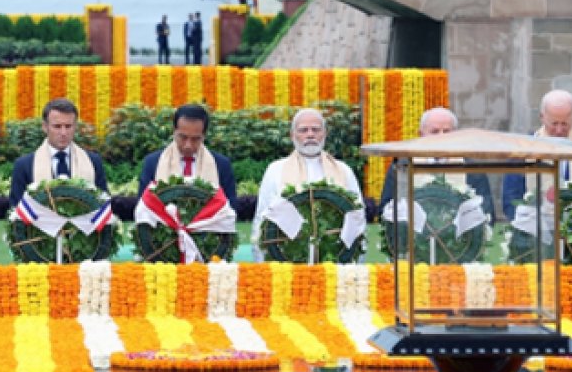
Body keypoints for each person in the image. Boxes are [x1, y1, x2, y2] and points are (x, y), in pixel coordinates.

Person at [252, 108, 363, 257]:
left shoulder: (344, 170)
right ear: (292, 135)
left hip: (335, 256)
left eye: (316, 129)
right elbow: (263, 217)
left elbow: (357, 217)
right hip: (287, 255)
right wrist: (262, 259)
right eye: (303, 130)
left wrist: (355, 259)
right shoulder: (275, 170)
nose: (310, 134)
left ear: (325, 133)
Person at [501, 89, 572, 219]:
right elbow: (511, 199)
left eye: (564, 123)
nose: (559, 130)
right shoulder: (522, 152)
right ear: (542, 117)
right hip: (534, 231)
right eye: (554, 123)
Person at [378, 107, 494, 216]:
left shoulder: (471, 168)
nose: (441, 137)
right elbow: (386, 209)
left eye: (447, 132)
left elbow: (487, 212)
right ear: (421, 135)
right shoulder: (403, 165)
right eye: (435, 131)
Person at [9, 98, 108, 206]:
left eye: (68, 126)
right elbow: (16, 210)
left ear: (75, 127)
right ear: (45, 127)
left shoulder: (93, 161)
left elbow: (104, 204)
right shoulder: (25, 165)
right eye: (57, 126)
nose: (63, 132)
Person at [138, 103, 237, 209]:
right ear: (174, 131)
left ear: (204, 135)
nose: (188, 145)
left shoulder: (221, 165)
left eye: (195, 139)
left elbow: (230, 208)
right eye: (183, 137)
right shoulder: (153, 163)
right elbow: (143, 207)